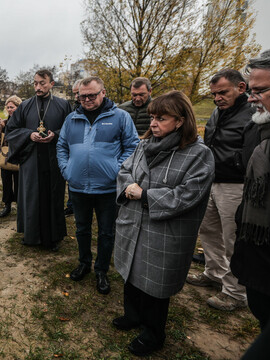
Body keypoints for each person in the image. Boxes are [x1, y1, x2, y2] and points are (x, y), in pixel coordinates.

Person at [113, 91, 214, 356]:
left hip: (164, 230)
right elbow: (124, 170)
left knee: (155, 283)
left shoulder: (197, 154)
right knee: (132, 273)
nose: (153, 123)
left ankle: (154, 332)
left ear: (180, 121)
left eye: (162, 118)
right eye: (152, 117)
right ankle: (132, 316)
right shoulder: (143, 145)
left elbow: (189, 194)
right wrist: (128, 187)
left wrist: (145, 195)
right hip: (133, 222)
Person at [57, 77, 139, 294]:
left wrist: (117, 170)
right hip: (78, 187)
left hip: (108, 188)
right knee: (81, 228)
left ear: (103, 92)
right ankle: (84, 262)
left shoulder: (120, 117)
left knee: (106, 232)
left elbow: (132, 146)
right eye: (82, 96)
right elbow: (62, 146)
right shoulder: (71, 119)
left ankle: (101, 270)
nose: (86, 100)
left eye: (91, 95)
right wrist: (67, 170)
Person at [230, 43, 270, 330]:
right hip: (263, 271)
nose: (251, 99)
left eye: (260, 90)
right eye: (251, 91)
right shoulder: (263, 131)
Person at [186, 69, 252, 311]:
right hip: (211, 181)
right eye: (214, 94)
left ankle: (235, 293)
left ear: (241, 88)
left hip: (236, 185)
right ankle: (214, 273)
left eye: (222, 92)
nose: (217, 98)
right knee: (208, 230)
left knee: (232, 238)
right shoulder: (217, 111)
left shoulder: (253, 113)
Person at [6, 69, 72, 251]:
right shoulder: (25, 106)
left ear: (51, 84)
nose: (38, 87)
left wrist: (55, 134)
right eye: (35, 83)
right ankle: (31, 235)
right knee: (32, 197)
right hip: (31, 159)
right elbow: (11, 130)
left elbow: (71, 129)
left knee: (53, 197)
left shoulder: (63, 105)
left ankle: (54, 237)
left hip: (53, 159)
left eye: (42, 83)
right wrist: (30, 135)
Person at [0, 95, 23, 217]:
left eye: (12, 107)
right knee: (6, 181)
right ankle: (7, 205)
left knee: (19, 182)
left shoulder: (23, 121)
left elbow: (20, 134)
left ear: (18, 107)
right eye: (8, 107)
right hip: (5, 155)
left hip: (18, 155)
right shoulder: (4, 122)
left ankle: (21, 205)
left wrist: (7, 128)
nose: (10, 109)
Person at [64, 79, 83, 217]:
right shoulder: (73, 108)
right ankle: (72, 205)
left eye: (78, 93)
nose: (76, 96)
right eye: (74, 93)